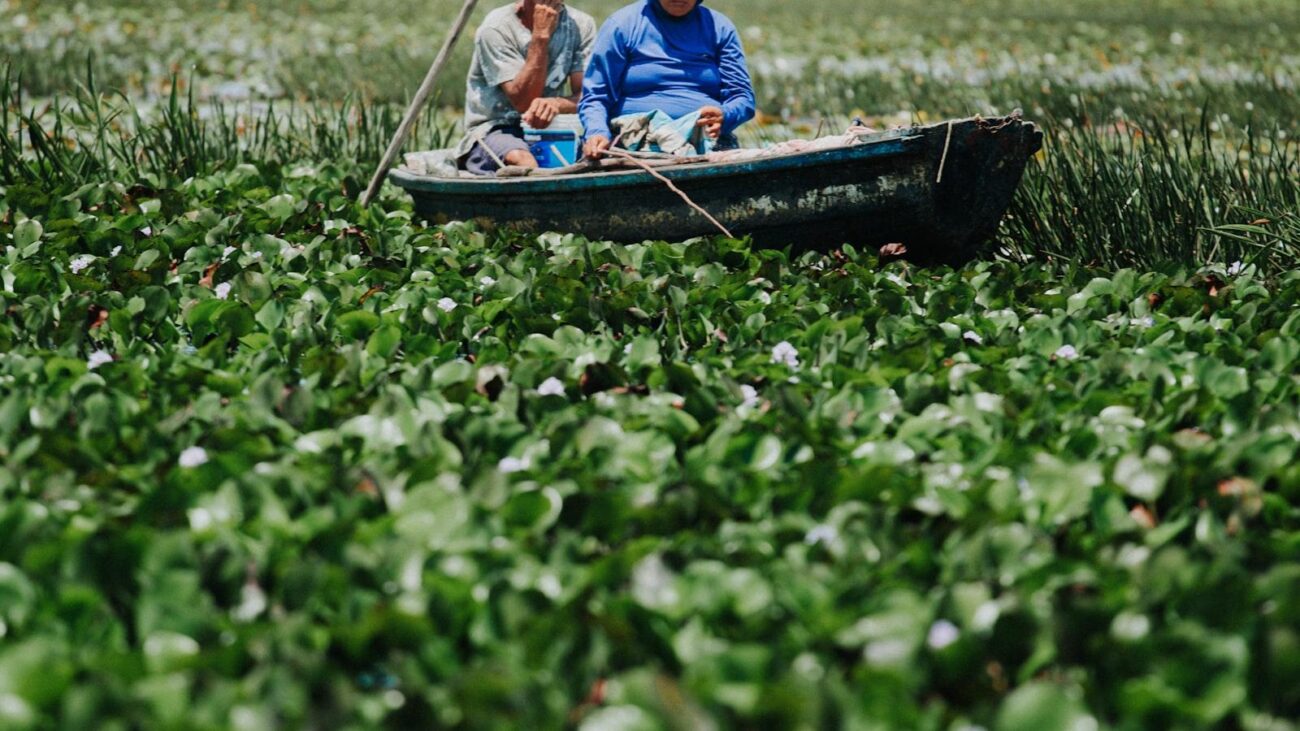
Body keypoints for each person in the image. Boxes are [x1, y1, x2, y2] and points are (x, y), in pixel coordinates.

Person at [578, 0, 755, 160]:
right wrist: (597, 132)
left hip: (705, 142)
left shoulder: (719, 27)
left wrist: (725, 115)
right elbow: (596, 96)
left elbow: (742, 97)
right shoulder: (622, 24)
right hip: (634, 144)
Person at [455, 0, 597, 175]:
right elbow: (524, 103)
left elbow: (589, 96)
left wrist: (557, 104)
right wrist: (540, 37)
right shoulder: (496, 28)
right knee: (523, 161)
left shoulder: (581, 25)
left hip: (552, 126)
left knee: (598, 151)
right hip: (496, 128)